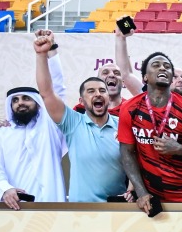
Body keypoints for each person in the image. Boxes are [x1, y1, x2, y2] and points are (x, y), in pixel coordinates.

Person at [33, 32, 127, 203]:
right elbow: (47, 92)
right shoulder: (72, 123)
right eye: (91, 91)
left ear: (108, 96)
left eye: (102, 91)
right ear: (82, 101)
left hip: (118, 211)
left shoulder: (123, 125)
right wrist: (41, 55)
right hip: (82, 211)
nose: (97, 94)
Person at [117, 51, 182, 212]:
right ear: (145, 77)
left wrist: (179, 149)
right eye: (156, 65)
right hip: (148, 195)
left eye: (167, 67)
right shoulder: (129, 108)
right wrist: (141, 192)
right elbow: (127, 153)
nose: (163, 68)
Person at [0, 85, 68, 209]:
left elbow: (57, 88)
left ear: (38, 103)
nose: (20, 103)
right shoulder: (0, 133)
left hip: (53, 204)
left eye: (26, 98)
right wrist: (5, 189)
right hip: (17, 205)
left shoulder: (52, 129)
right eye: (15, 100)